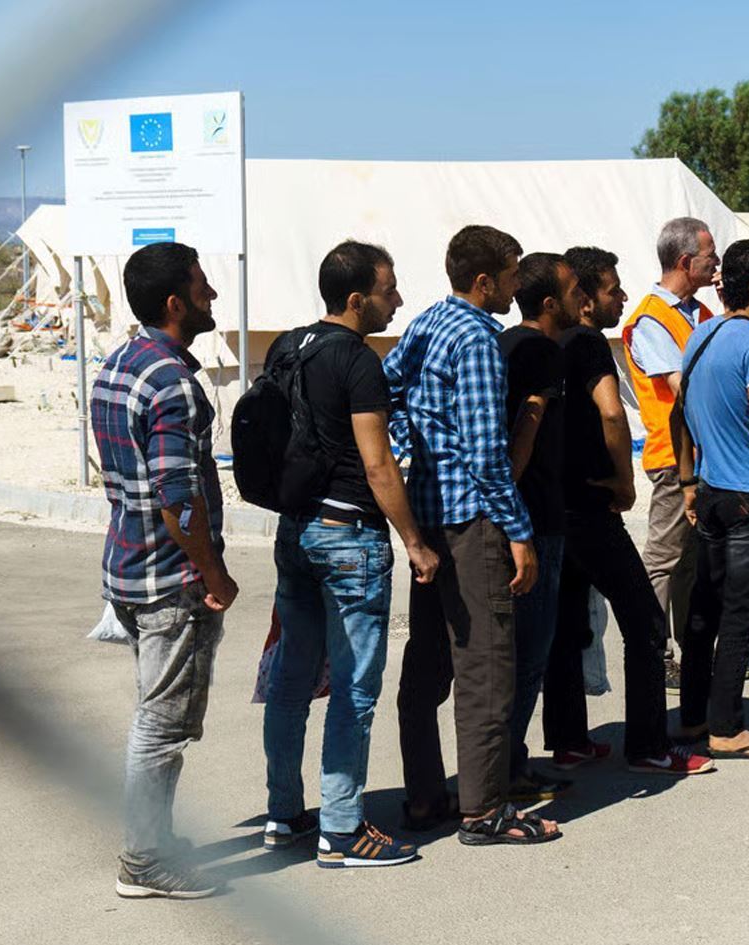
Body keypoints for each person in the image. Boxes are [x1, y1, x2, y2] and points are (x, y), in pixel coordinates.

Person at [261, 241, 438, 869]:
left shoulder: (288, 347)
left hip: (296, 532)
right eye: (390, 290)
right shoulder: (359, 362)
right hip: (349, 538)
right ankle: (341, 831)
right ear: (358, 298)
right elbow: (378, 462)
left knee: (290, 683)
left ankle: (284, 815)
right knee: (355, 690)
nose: (398, 300)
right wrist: (414, 540)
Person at [386, 225, 561, 846]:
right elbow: (487, 454)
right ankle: (484, 811)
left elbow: (385, 390)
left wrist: (417, 443)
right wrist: (519, 533)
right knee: (486, 668)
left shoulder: (427, 323)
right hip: (473, 522)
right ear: (484, 281)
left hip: (428, 515)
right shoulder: (478, 340)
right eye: (511, 275)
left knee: (428, 664)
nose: (517, 287)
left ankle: (424, 795)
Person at [91, 241, 237, 899]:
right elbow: (178, 499)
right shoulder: (172, 382)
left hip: (128, 568)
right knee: (162, 724)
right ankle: (144, 861)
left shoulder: (120, 362)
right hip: (170, 579)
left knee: (158, 715)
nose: (213, 295)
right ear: (176, 302)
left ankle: (154, 842)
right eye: (203, 286)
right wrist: (214, 574)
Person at [541, 246, 715, 776]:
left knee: (567, 624)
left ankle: (569, 739)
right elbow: (613, 414)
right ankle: (648, 745)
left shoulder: (550, 344)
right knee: (644, 621)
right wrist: (623, 480)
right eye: (610, 290)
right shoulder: (589, 343)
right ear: (584, 298)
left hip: (556, 504)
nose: (620, 298)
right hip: (592, 505)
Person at [671, 238, 749, 759]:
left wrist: (688, 480)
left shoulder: (701, 334)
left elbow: (679, 413)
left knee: (704, 609)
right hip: (748, 495)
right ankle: (727, 727)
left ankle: (693, 718)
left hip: (711, 491)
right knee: (740, 615)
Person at [498, 252, 582, 802]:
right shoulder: (543, 352)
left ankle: (508, 763)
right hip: (535, 519)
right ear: (550, 302)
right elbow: (523, 439)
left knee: (513, 653)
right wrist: (512, 504)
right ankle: (506, 770)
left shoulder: (503, 343)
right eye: (574, 290)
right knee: (529, 654)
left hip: (517, 515)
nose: (583, 299)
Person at [621, 217, 719, 693]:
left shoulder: (700, 312)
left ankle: (692, 651)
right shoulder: (650, 319)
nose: (716, 263)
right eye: (710, 256)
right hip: (673, 457)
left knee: (690, 561)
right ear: (684, 261)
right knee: (663, 558)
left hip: (701, 455)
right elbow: (684, 387)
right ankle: (654, 653)